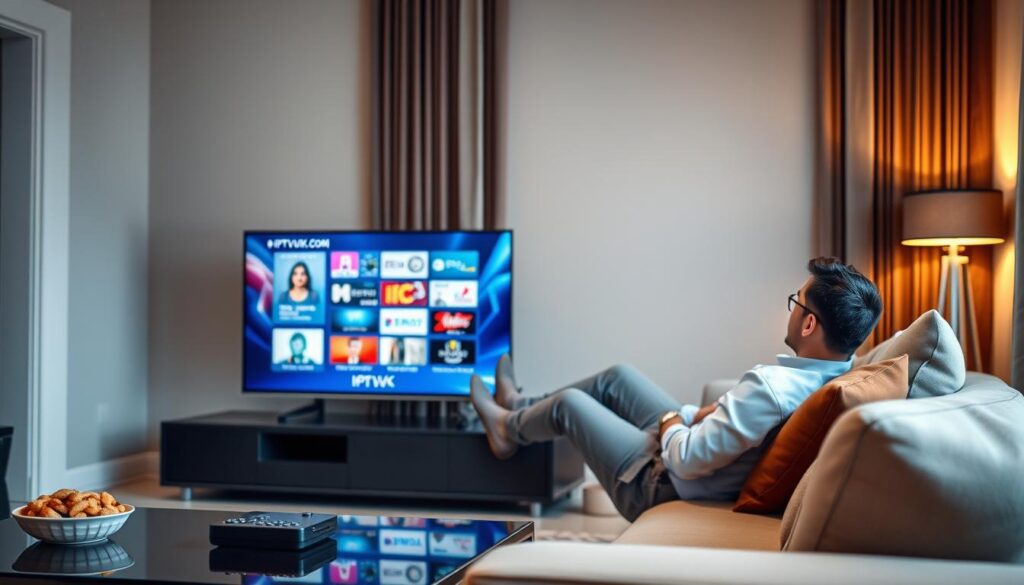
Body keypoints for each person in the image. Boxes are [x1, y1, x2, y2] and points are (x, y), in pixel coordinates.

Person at [470, 257, 883, 521]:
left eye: (797, 302)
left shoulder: (771, 389)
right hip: (686, 447)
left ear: (809, 324)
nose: (791, 311)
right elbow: (717, 432)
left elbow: (686, 460)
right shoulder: (830, 374)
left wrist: (672, 420)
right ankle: (518, 406)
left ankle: (509, 431)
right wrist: (687, 417)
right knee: (618, 377)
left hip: (659, 482)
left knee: (571, 405)